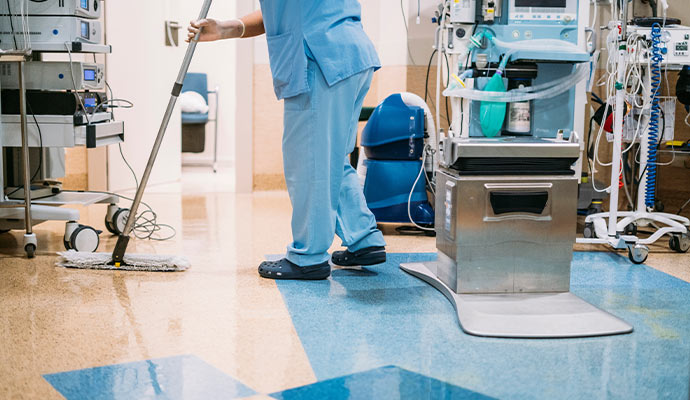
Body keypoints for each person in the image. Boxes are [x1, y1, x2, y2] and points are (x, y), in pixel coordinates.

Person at [187, 1, 387, 280]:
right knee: (332, 160)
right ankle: (364, 238)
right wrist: (225, 28)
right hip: (349, 56)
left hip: (320, 58)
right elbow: (280, 13)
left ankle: (309, 258)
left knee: (310, 164)